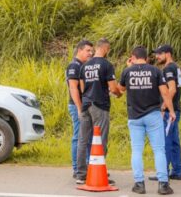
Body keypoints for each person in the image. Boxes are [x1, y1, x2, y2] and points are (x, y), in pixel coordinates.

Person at [118, 46, 175, 195]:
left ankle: (139, 184)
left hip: (134, 117)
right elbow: (165, 92)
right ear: (146, 58)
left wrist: (129, 68)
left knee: (137, 150)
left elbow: (120, 90)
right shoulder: (155, 71)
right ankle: (163, 185)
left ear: (133, 57)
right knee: (159, 150)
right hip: (153, 115)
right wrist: (171, 110)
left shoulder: (127, 71)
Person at [75, 38, 121, 185]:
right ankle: (99, 171)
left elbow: (82, 88)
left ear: (96, 48)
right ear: (106, 49)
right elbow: (113, 88)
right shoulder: (106, 65)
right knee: (101, 140)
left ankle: (81, 174)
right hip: (100, 105)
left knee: (83, 139)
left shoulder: (84, 66)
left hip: (86, 104)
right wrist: (119, 94)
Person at [149, 44, 181, 181]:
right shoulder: (175, 66)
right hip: (176, 109)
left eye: (159, 54)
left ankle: (163, 172)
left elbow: (173, 89)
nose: (157, 56)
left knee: (166, 141)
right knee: (174, 141)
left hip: (170, 111)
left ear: (167, 54)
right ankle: (177, 171)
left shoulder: (169, 68)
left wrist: (164, 107)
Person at [66, 40, 93, 178]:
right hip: (77, 106)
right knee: (78, 137)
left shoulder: (84, 66)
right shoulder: (74, 66)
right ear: (80, 50)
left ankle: (88, 166)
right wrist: (79, 108)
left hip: (85, 106)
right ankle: (77, 169)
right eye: (88, 50)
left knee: (87, 138)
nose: (90, 53)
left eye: (91, 51)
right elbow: (73, 88)